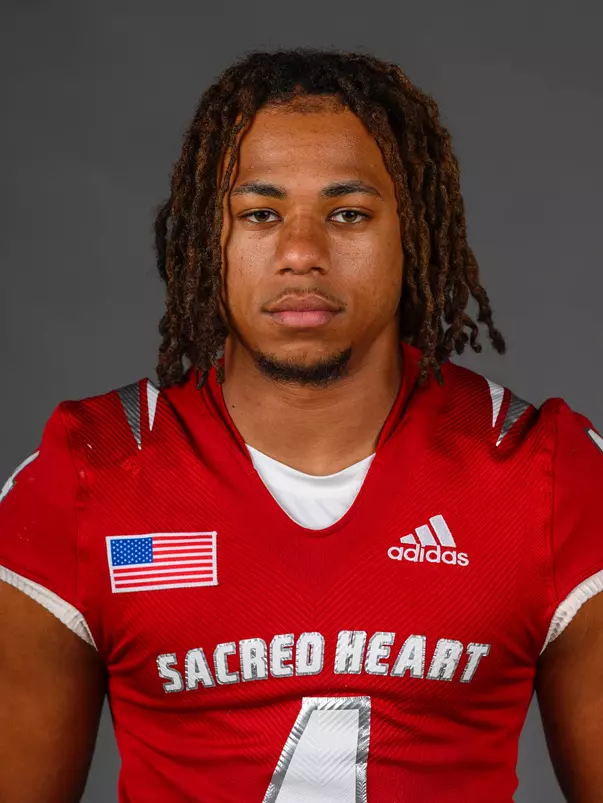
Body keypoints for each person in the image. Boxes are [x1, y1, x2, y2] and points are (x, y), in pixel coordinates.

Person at [0, 48, 602, 803]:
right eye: (259, 213)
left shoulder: (542, 472)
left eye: (347, 213)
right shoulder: (90, 473)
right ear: (202, 238)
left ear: (409, 230)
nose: (299, 254)